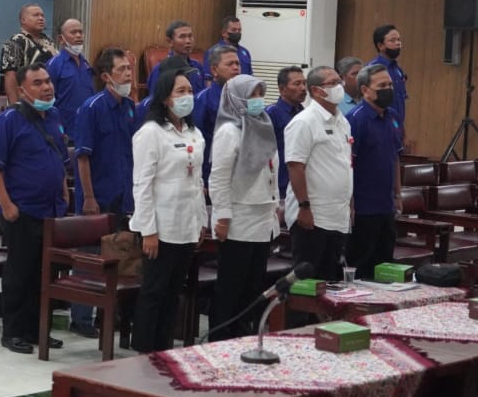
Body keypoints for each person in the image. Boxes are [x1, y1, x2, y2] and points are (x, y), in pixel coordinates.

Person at [0, 62, 67, 354]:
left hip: (51, 210)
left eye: (48, 81)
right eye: (37, 83)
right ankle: (14, 332)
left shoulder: (54, 116)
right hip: (21, 210)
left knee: (43, 274)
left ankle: (37, 330)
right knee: (20, 273)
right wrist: (7, 205)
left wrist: (64, 193)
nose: (46, 87)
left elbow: (60, 159)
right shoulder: (8, 120)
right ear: (22, 90)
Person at [129, 66, 207, 354]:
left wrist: (201, 220)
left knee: (174, 292)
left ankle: (164, 350)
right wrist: (148, 231)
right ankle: (144, 351)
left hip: (186, 224)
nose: (188, 96)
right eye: (180, 91)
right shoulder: (151, 133)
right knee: (154, 291)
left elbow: (197, 180)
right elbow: (142, 185)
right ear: (165, 98)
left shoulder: (194, 132)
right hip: (160, 227)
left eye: (190, 91)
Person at [70, 48, 138, 339]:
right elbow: (83, 156)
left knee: (119, 254)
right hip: (97, 193)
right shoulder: (92, 107)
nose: (128, 74)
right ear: (107, 76)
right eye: (122, 69)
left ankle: (109, 314)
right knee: (90, 256)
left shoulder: (130, 106)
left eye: (129, 69)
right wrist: (88, 196)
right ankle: (81, 318)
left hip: (124, 193)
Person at [208, 76, 280, 339]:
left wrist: (275, 203)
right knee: (231, 285)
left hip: (263, 215)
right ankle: (219, 337)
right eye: (252, 95)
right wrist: (222, 216)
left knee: (252, 285)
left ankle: (243, 335)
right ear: (237, 98)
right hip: (238, 218)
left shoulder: (264, 124)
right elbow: (218, 178)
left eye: (261, 93)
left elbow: (271, 170)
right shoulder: (229, 131)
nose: (258, 100)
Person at [284, 64, 353, 282]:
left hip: (337, 215)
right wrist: (304, 207)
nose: (339, 86)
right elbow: (295, 166)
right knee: (307, 282)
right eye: (332, 83)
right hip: (313, 216)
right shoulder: (304, 122)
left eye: (339, 81)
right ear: (316, 90)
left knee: (330, 281)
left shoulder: (343, 122)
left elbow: (345, 165)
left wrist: (350, 204)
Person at [347, 62, 404, 279]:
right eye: (382, 86)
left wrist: (398, 194)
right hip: (363, 207)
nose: (388, 89)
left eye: (390, 84)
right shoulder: (355, 119)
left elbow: (395, 158)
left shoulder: (393, 117)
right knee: (362, 266)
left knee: (385, 265)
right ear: (365, 90)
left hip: (386, 205)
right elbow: (348, 164)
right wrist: (350, 203)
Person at [193, 44, 243, 180]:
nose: (236, 67)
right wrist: (202, 178)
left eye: (237, 63)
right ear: (214, 70)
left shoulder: (245, 98)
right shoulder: (202, 100)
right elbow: (197, 141)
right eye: (230, 64)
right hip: (212, 170)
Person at [0, 4, 56, 107]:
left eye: (42, 16)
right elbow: (10, 76)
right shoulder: (15, 42)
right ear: (23, 20)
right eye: (36, 15)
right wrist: (16, 106)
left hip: (48, 102)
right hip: (26, 103)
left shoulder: (49, 42)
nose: (41, 18)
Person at [48, 19, 95, 137]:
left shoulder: (86, 64)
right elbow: (46, 100)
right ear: (61, 39)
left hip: (87, 129)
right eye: (73, 32)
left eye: (80, 32)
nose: (78, 35)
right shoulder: (54, 64)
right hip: (64, 132)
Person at [267, 66, 307, 197]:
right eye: (297, 84)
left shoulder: (305, 112)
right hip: (280, 182)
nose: (303, 88)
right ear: (282, 89)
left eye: (304, 83)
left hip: (303, 180)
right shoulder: (271, 113)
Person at [366, 25, 409, 134]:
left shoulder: (397, 69)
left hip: (396, 126)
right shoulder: (373, 69)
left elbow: (401, 100)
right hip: (379, 126)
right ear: (380, 46)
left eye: (399, 40)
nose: (398, 43)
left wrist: (402, 132)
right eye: (392, 40)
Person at [145, 21, 205, 95]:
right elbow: (155, 99)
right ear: (170, 41)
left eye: (190, 36)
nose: (188, 41)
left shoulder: (197, 66)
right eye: (182, 37)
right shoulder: (160, 69)